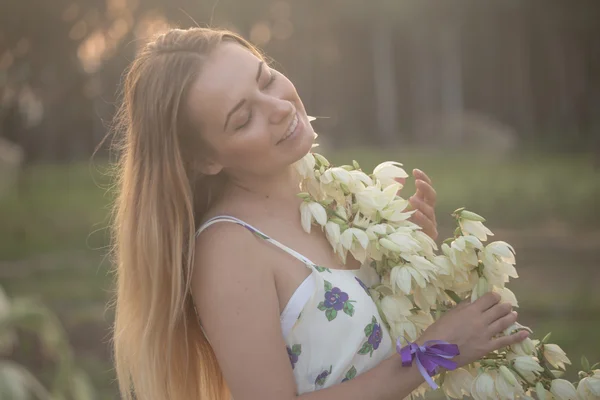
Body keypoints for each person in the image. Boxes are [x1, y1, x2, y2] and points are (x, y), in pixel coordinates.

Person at [111, 27, 529, 400]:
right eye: (243, 119)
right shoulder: (230, 249)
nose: (277, 107)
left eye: (267, 79)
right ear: (205, 159)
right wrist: (432, 354)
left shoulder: (332, 197)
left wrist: (413, 266)